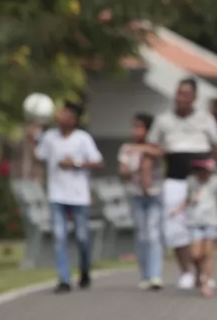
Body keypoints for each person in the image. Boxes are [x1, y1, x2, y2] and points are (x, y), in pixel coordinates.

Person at [148, 78, 217, 290]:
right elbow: (152, 148)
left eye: (185, 94)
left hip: (202, 182)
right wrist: (148, 176)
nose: (181, 98)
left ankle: (203, 272)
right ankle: (185, 270)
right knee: (176, 228)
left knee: (203, 227)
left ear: (194, 97)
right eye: (178, 94)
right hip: (175, 180)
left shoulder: (206, 120)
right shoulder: (163, 120)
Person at [31, 102, 103, 293]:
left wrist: (76, 163)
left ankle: (85, 269)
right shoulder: (50, 137)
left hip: (79, 196)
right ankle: (64, 278)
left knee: (82, 237)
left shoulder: (82, 138)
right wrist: (34, 138)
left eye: (66, 114)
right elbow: (39, 156)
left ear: (74, 119)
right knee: (60, 237)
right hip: (57, 195)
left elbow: (97, 162)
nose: (61, 116)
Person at [173, 160, 217, 298]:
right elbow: (187, 199)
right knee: (195, 254)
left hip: (211, 221)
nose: (202, 174)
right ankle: (199, 272)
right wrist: (178, 210)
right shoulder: (191, 183)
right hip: (195, 221)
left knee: (208, 253)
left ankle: (205, 282)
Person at [118, 113, 164, 290]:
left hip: (154, 196)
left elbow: (160, 153)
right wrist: (131, 170)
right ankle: (144, 274)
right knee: (142, 235)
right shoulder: (127, 148)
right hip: (136, 196)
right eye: (134, 126)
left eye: (140, 127)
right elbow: (122, 171)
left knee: (153, 234)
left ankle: (156, 275)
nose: (136, 131)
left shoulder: (154, 148)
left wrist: (142, 150)